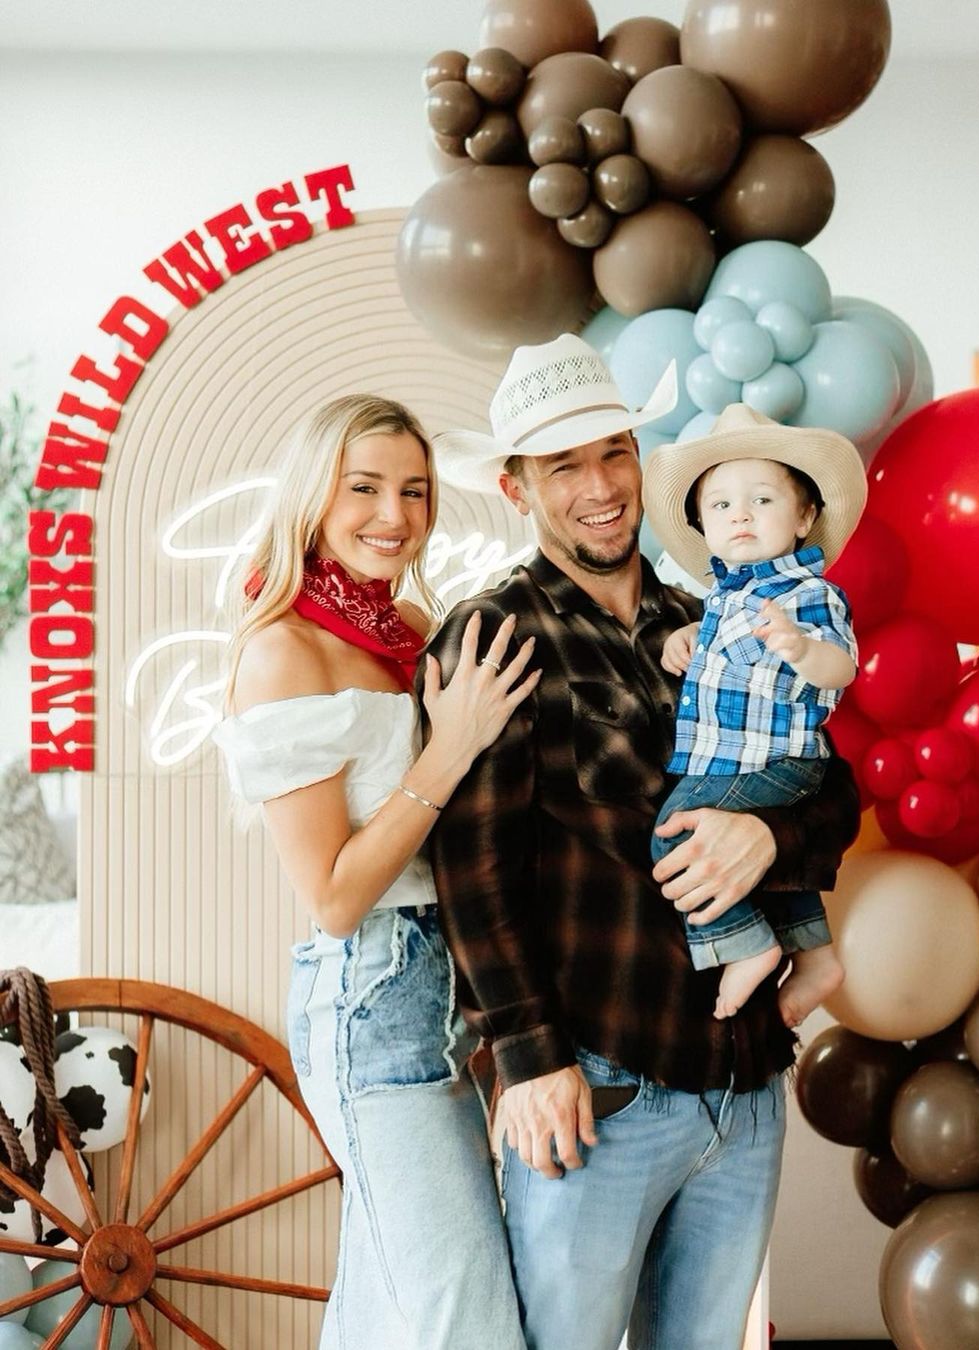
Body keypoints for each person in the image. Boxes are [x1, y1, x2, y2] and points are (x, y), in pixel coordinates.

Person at [427, 336, 861, 1350]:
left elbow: (834, 785)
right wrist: (530, 1061)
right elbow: (474, 866)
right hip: (603, 1089)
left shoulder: (715, 617)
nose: (599, 488)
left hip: (745, 1088)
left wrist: (769, 838)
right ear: (516, 487)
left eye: (614, 453)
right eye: (563, 466)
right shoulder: (495, 637)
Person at [213, 394, 534, 1350]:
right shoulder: (285, 653)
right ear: (316, 497)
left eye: (416, 491)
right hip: (374, 997)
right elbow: (338, 894)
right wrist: (456, 743)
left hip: (453, 986)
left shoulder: (409, 630)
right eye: (364, 488)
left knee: (385, 1313)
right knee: (463, 1324)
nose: (394, 516)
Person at [642, 404, 866, 1026]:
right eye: (720, 505)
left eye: (762, 500)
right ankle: (815, 956)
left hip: (770, 758)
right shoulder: (723, 598)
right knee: (762, 868)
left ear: (805, 516)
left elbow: (842, 667)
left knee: (674, 830)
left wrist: (802, 647)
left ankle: (748, 946)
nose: (739, 514)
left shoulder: (808, 593)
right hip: (742, 759)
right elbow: (725, 646)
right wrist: (684, 638)